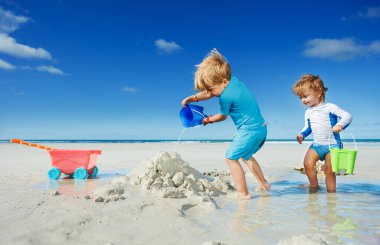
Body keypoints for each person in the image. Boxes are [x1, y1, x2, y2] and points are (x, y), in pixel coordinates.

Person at [181, 49, 270, 200]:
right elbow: (209, 92)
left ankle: (243, 193)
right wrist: (193, 98)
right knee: (244, 156)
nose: (209, 92)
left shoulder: (226, 97)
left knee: (230, 158)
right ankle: (264, 184)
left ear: (223, 82)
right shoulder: (233, 81)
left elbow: (222, 116)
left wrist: (206, 120)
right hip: (260, 127)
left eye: (210, 88)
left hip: (249, 131)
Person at [292, 74, 353, 193]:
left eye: (305, 96)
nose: (303, 100)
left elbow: (347, 116)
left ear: (318, 93)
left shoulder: (330, 107)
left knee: (329, 170)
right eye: (300, 97)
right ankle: (314, 187)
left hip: (332, 145)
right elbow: (308, 127)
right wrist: (301, 134)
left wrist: (340, 125)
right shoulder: (308, 112)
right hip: (316, 145)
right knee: (307, 164)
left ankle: (331, 194)